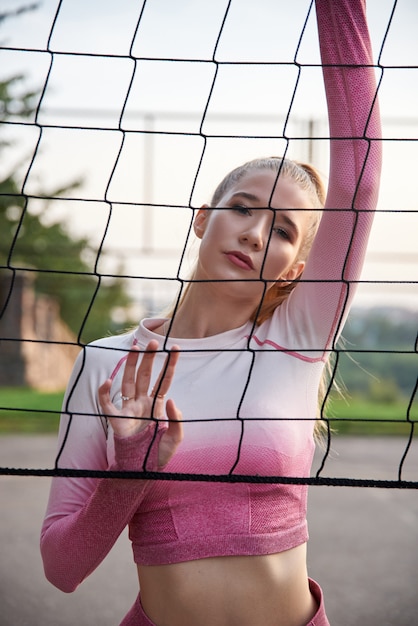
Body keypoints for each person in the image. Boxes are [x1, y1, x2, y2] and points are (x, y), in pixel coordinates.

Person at [40, 1, 381, 625]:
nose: (256, 235)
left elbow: (357, 180)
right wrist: (131, 470)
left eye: (282, 230)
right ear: (203, 218)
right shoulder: (107, 363)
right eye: (244, 208)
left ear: (298, 270)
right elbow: (61, 570)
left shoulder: (297, 340)